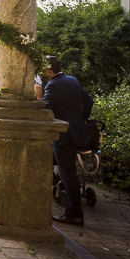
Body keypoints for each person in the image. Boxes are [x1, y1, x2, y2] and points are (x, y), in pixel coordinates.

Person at [43, 55, 94, 227]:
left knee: (68, 174)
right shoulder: (72, 80)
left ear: (50, 71)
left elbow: (47, 108)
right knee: (70, 173)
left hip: (63, 135)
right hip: (76, 132)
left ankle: (74, 214)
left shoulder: (53, 85)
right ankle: (73, 212)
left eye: (43, 71)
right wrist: (80, 119)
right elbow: (88, 101)